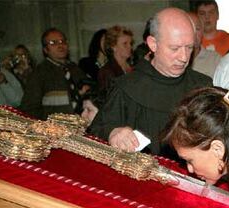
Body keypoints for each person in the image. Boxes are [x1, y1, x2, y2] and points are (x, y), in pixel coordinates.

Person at [90, 7, 212, 156]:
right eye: (175, 48)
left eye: (189, 47)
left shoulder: (202, 86)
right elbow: (97, 130)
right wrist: (113, 132)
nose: (184, 57)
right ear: (153, 44)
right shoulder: (126, 87)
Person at [19, 28, 89, 120]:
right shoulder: (40, 73)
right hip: (54, 129)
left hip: (79, 125)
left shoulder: (75, 69)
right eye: (53, 43)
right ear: (45, 50)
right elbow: (29, 108)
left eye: (62, 41)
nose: (60, 45)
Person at [97, 25, 133, 96]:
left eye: (130, 43)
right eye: (125, 44)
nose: (130, 47)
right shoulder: (107, 72)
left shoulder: (132, 67)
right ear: (113, 46)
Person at [188, 12, 221, 78]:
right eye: (189, 28)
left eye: (197, 29)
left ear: (202, 31)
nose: (194, 33)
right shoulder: (174, 59)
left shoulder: (215, 59)